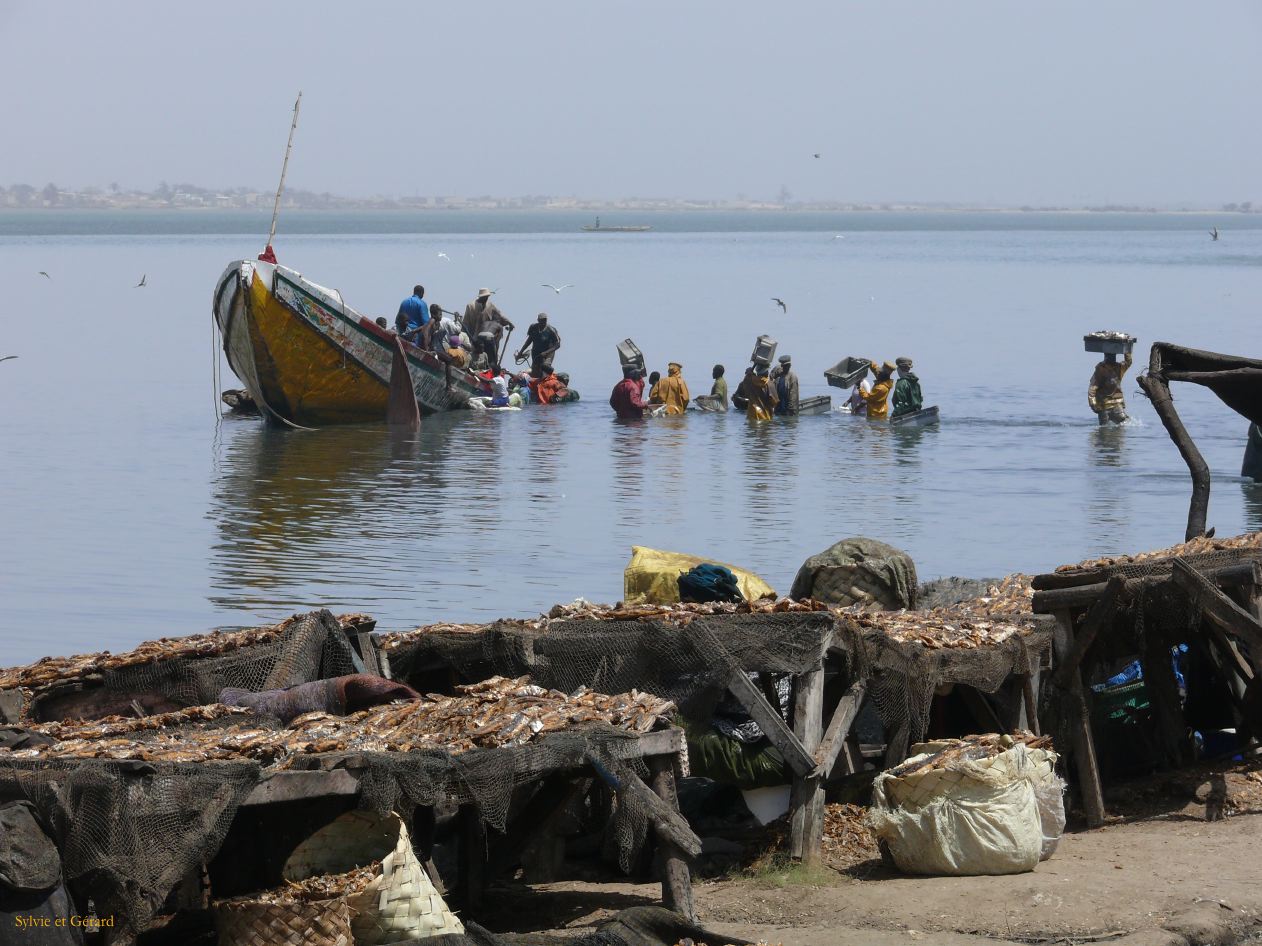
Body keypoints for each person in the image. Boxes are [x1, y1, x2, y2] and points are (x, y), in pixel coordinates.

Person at [1088, 351, 1132, 425]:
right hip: (1104, 406)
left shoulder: (1119, 367)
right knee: (1107, 428)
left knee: (1122, 423)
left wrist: (1127, 350)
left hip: (1116, 404)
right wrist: (1094, 405)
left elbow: (1128, 362)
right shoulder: (1101, 369)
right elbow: (1092, 389)